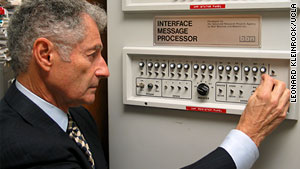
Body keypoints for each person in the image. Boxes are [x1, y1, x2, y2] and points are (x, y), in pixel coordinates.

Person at [0, 0, 290, 169]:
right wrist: (247, 135)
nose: (105, 70)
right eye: (92, 55)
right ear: (45, 55)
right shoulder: (25, 149)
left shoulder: (79, 118)